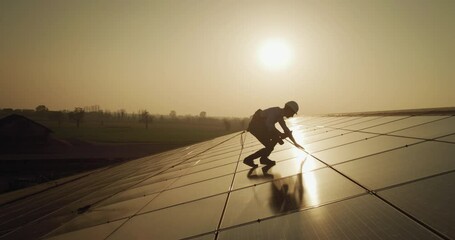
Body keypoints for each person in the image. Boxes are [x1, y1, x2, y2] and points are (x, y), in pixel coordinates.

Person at [243, 101, 303, 167]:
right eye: (292, 113)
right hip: (256, 127)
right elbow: (269, 125)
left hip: (261, 128)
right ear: (288, 109)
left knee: (273, 142)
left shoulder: (279, 116)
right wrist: (280, 135)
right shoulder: (275, 112)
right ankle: (250, 159)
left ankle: (263, 159)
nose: (292, 115)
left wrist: (295, 143)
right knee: (270, 145)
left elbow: (286, 130)